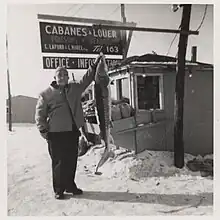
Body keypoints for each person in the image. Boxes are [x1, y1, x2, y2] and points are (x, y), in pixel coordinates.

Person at [35, 54, 106, 200]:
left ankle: (70, 185)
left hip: (72, 132)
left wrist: (94, 65)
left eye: (65, 74)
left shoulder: (75, 88)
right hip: (55, 134)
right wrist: (44, 131)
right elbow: (39, 115)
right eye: (59, 74)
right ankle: (59, 189)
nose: (62, 76)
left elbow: (86, 79)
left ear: (68, 78)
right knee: (58, 162)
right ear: (55, 77)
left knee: (71, 160)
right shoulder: (46, 94)